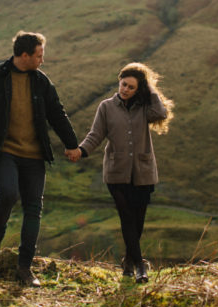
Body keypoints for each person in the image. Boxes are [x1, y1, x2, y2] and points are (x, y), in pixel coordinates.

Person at [0, 30, 79, 286]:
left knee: (33, 208)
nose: (43, 60)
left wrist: (72, 144)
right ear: (25, 55)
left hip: (34, 155)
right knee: (8, 193)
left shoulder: (41, 81)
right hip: (3, 151)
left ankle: (25, 267)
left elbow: (57, 113)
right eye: (39, 55)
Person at [66, 62, 174, 283]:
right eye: (123, 84)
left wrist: (150, 88)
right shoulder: (106, 107)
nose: (125, 89)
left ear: (139, 90)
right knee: (126, 217)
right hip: (116, 173)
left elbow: (160, 113)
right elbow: (96, 135)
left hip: (143, 172)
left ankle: (128, 261)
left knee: (138, 220)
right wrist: (81, 150)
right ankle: (140, 266)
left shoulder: (146, 106)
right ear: (119, 81)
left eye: (131, 87)